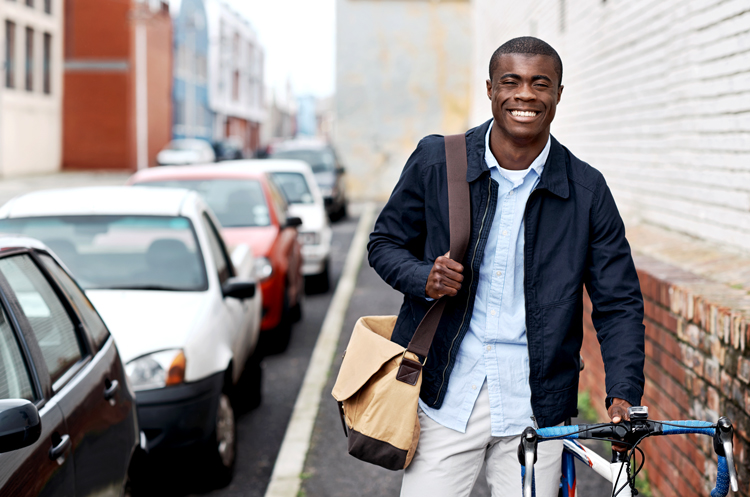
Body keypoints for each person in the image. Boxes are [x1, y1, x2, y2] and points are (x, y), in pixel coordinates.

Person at [367, 36, 645, 497]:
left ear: (558, 94)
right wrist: (424, 278)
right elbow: (384, 243)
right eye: (511, 81)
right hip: (446, 397)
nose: (525, 95)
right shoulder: (438, 161)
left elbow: (617, 301)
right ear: (491, 89)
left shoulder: (587, 191)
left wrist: (623, 390)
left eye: (541, 83)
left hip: (538, 409)